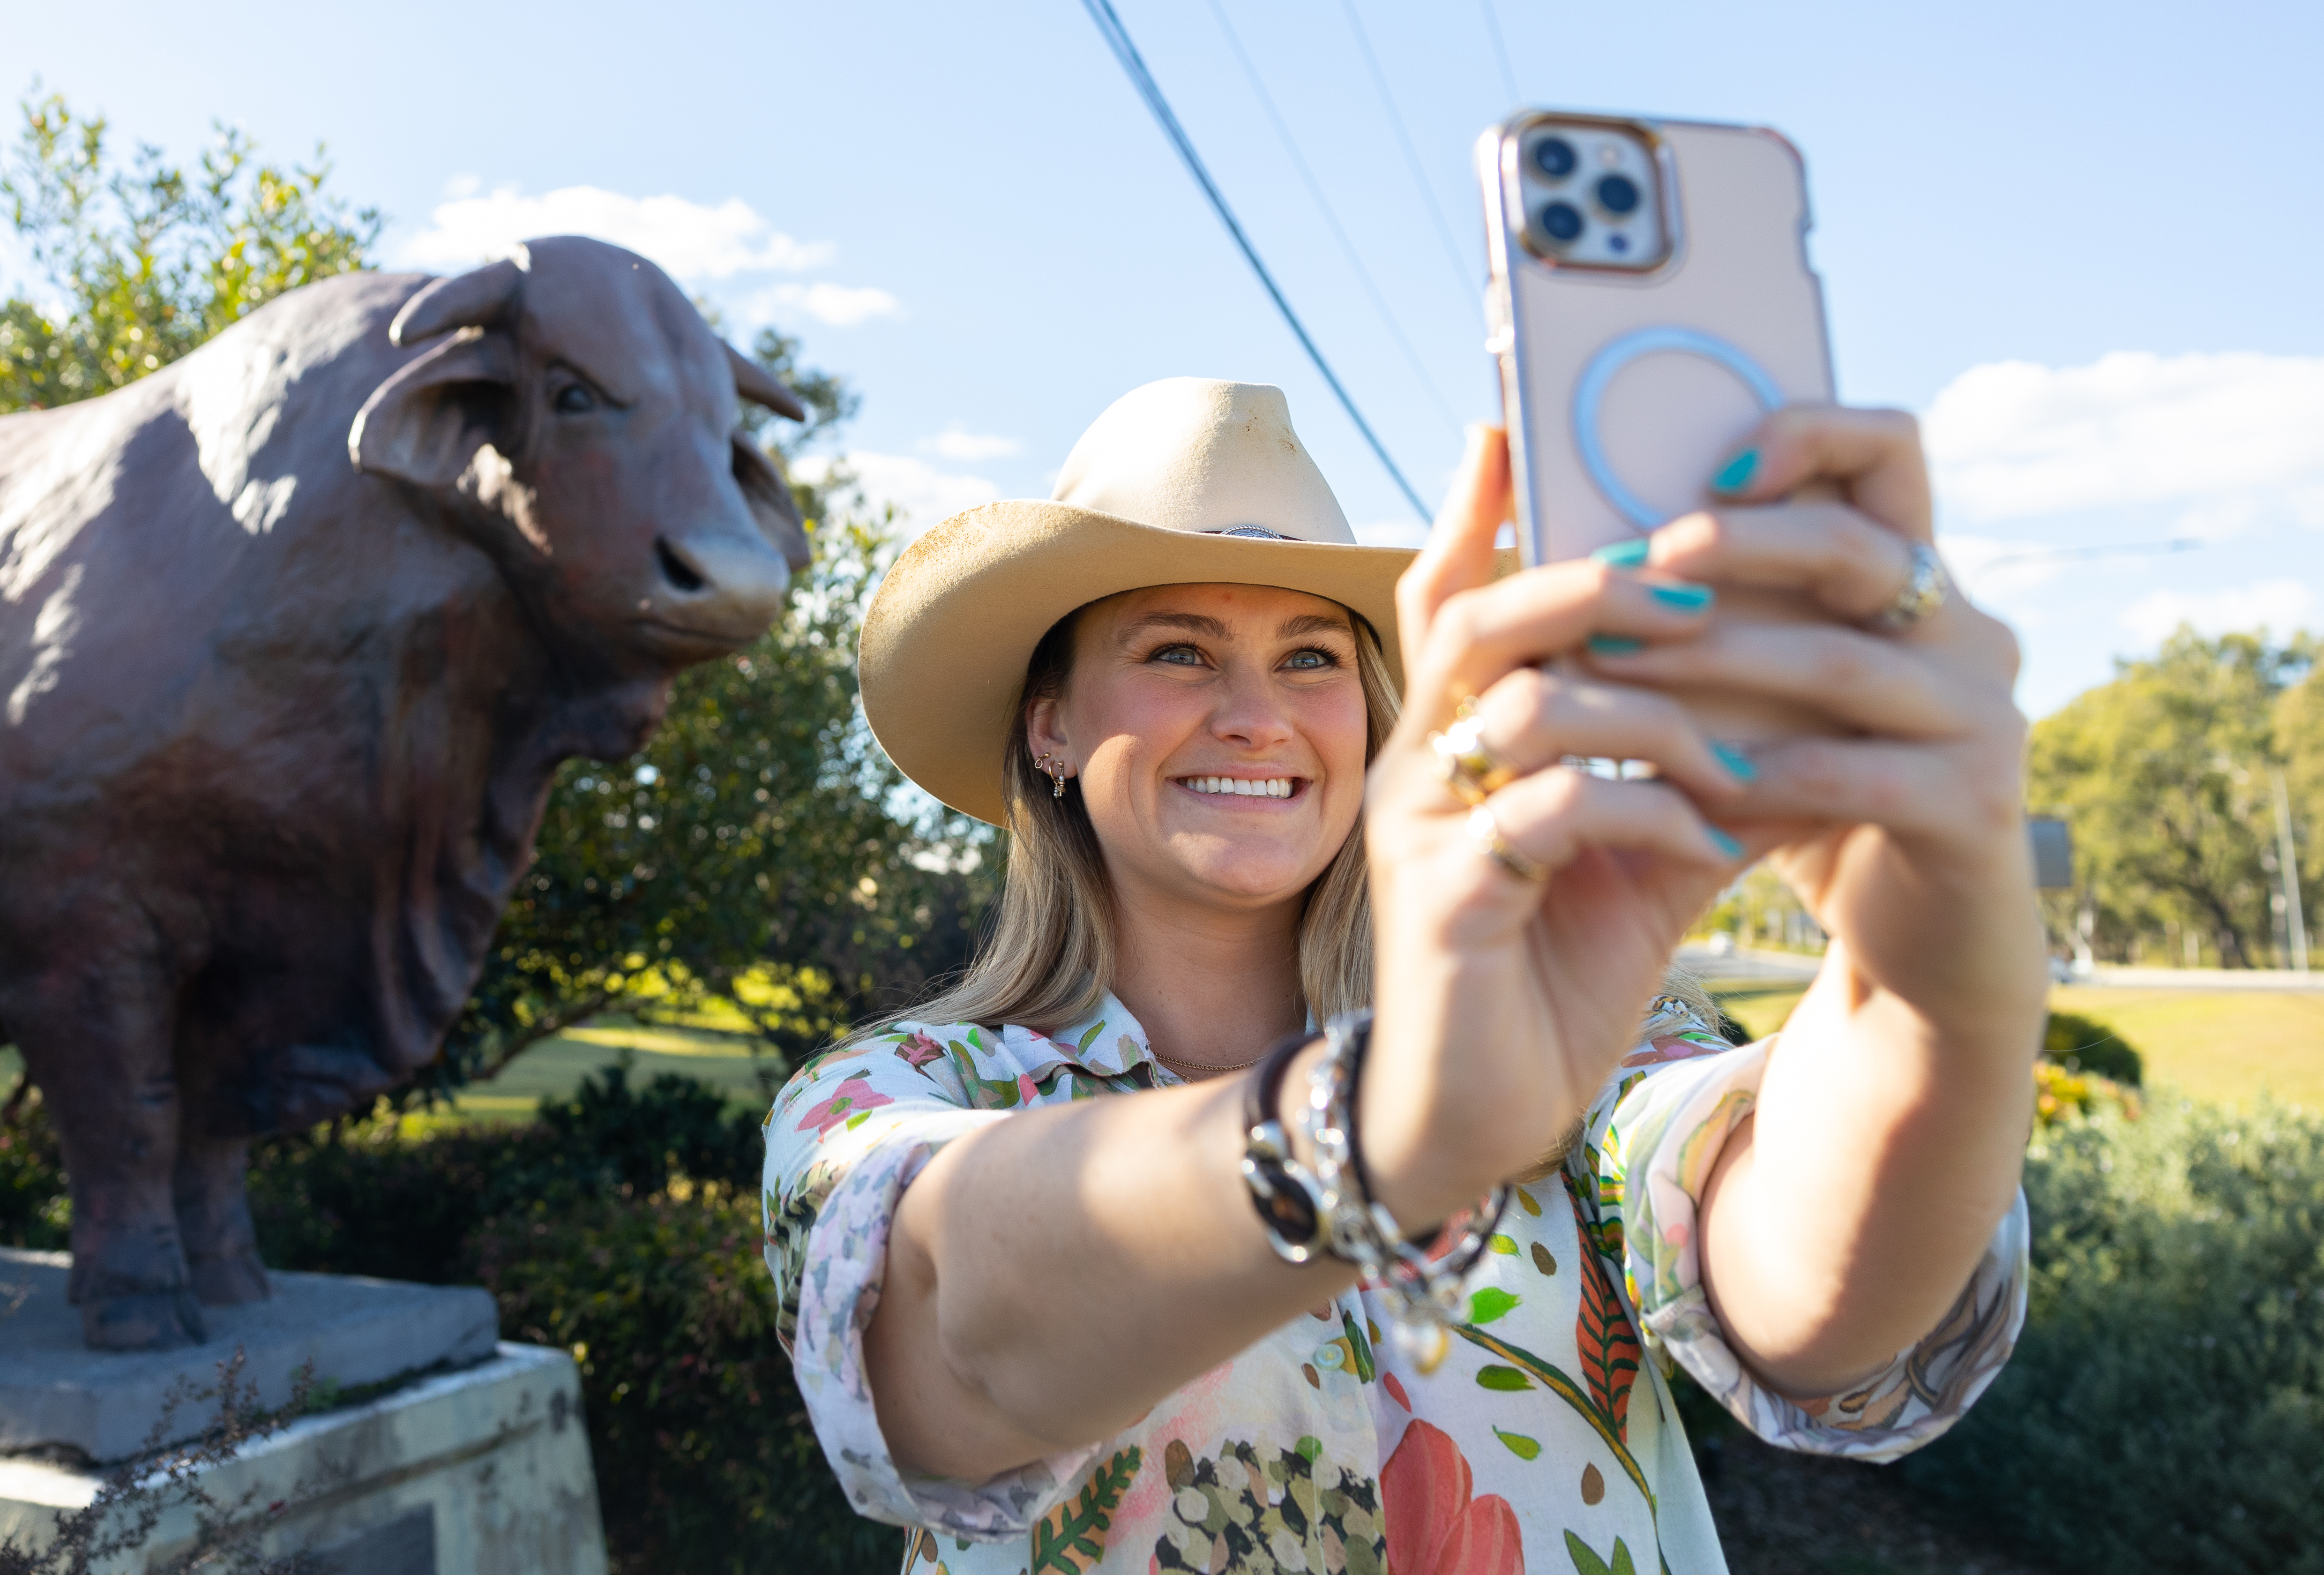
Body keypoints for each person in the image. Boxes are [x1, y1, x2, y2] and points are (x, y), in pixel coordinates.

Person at [762, 378, 2041, 1574]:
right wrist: (1376, 1130)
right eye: (1177, 652)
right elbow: (955, 1343)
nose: (1255, 715)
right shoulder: (901, 1089)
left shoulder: (1568, 1043)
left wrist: (1937, 983)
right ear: (1050, 726)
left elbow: (1821, 1294)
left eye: (1313, 657)